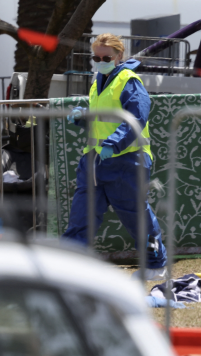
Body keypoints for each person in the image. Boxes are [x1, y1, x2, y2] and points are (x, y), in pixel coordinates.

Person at [63, 34, 167, 281]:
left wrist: (113, 143)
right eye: (95, 57)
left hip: (127, 162)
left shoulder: (130, 81)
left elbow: (136, 118)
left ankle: (155, 263)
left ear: (119, 56)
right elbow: (104, 120)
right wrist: (83, 117)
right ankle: (66, 267)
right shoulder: (98, 79)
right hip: (95, 162)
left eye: (106, 57)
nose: (100, 61)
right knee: (81, 217)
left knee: (138, 219)